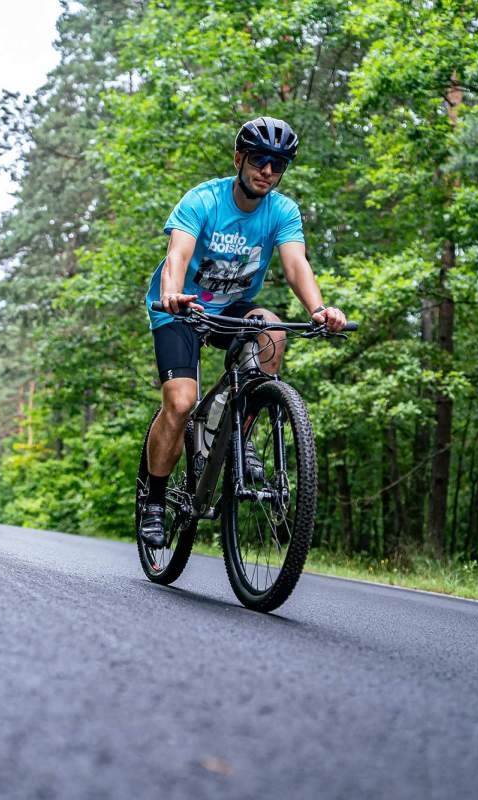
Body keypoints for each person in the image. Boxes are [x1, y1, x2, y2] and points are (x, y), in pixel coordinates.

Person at [140, 116, 346, 548]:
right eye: (259, 160)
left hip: (231, 308)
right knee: (180, 403)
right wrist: (173, 295)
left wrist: (320, 309)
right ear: (240, 159)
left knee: (272, 328)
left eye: (278, 164)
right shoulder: (203, 200)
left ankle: (240, 434)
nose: (267, 171)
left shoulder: (282, 211)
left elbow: (295, 264)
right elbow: (177, 254)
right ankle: (155, 502)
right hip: (182, 306)